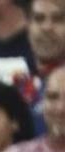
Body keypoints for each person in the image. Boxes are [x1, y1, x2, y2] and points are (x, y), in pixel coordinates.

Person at [28, 0, 65, 132]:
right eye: (39, 19)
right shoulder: (21, 84)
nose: (47, 27)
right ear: (28, 26)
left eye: (58, 19)